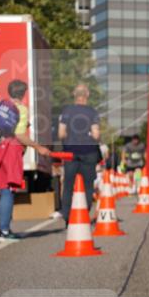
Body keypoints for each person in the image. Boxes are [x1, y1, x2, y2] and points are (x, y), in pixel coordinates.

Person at [0, 80, 50, 243]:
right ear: (23, 93)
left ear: (10, 91)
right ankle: (4, 232)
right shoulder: (21, 109)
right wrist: (38, 147)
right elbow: (19, 135)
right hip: (8, 152)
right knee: (7, 191)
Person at [58, 84, 101, 224]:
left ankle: (66, 216)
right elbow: (96, 135)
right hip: (89, 152)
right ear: (87, 95)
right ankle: (84, 213)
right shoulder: (92, 112)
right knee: (88, 185)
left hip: (71, 152)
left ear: (74, 94)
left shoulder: (67, 111)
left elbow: (61, 133)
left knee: (68, 184)